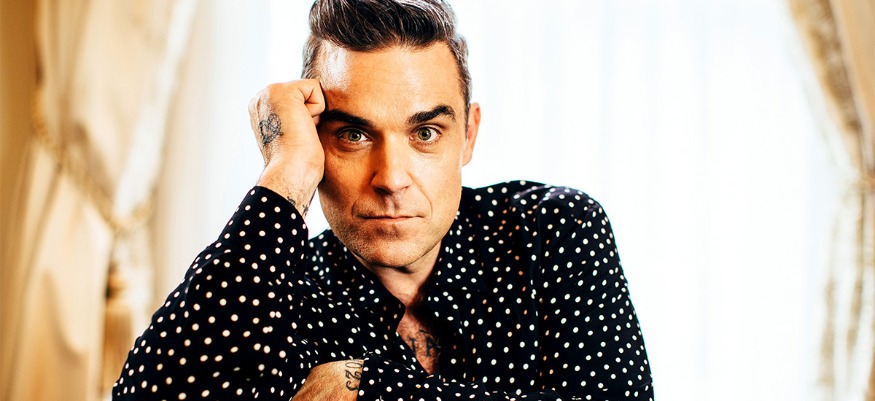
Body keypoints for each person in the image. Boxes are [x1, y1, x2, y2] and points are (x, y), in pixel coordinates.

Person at [112, 0, 654, 399]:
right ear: (315, 139)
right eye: (354, 135)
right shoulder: (280, 290)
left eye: (425, 133)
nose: (391, 178)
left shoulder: (552, 229)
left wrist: (368, 387)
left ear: (468, 136)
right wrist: (285, 172)